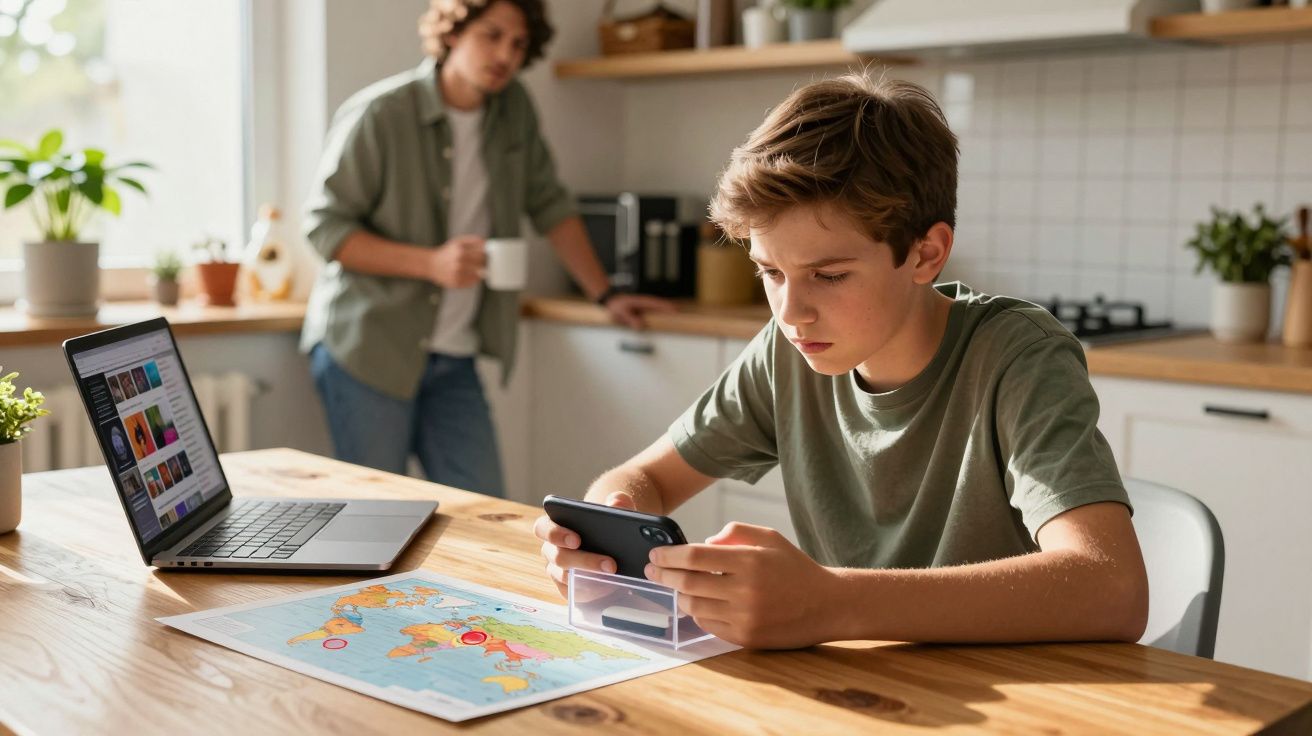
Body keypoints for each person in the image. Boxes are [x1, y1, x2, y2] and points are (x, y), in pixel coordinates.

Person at [534, 75, 1149, 649]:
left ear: (925, 254)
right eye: (770, 272)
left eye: (828, 276)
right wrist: (605, 530)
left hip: (1027, 693)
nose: (791, 312)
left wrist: (832, 602)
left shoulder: (1018, 357)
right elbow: (646, 479)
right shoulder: (787, 353)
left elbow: (1111, 589)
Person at [300, 0, 672, 496]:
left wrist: (604, 294)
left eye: (518, 44)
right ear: (453, 32)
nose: (505, 55)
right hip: (369, 346)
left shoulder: (513, 109)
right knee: (375, 511)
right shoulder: (383, 113)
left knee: (485, 506)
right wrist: (431, 264)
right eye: (491, 35)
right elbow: (325, 229)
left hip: (456, 355)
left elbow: (549, 204)